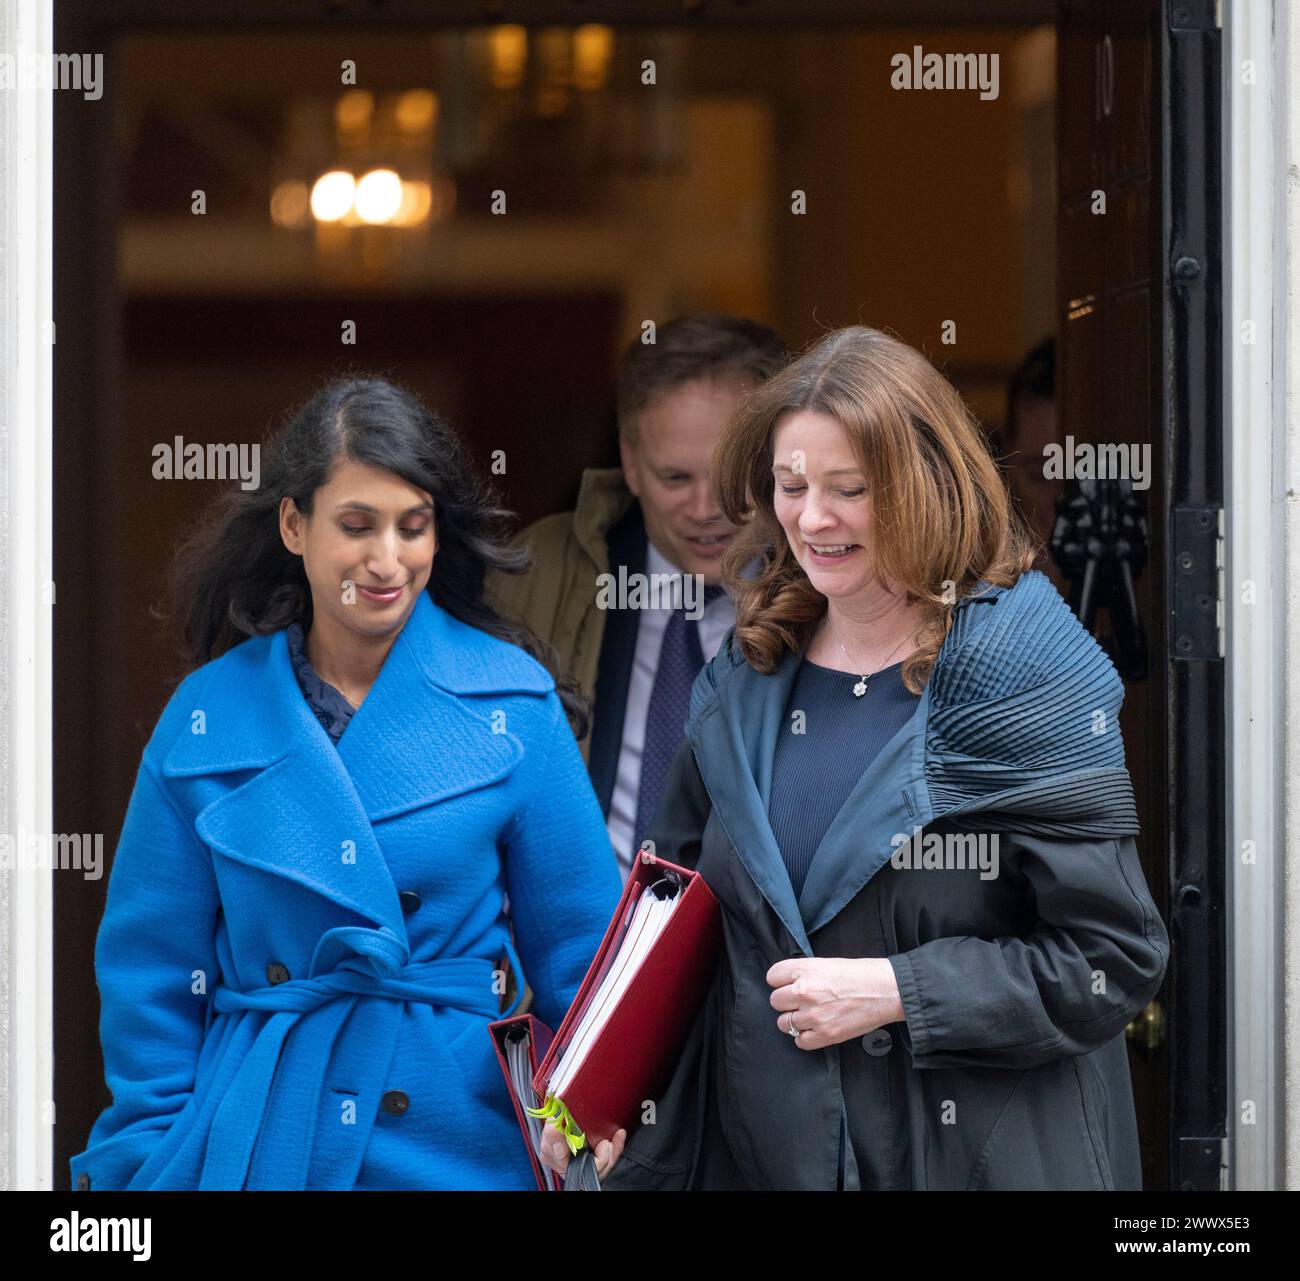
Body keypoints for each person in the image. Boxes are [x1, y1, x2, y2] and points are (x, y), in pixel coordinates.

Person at [540, 325, 1170, 1190]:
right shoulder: (746, 671)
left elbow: (1112, 956)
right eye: (791, 485)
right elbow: (676, 936)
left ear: (924, 487)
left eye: (850, 489)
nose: (811, 517)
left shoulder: (1019, 664)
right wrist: (601, 1104)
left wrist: (902, 990)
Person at [70, 377, 622, 1191]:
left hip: (465, 1135)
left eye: (413, 526)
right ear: (295, 525)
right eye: (356, 525)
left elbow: (589, 967)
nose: (387, 559)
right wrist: (150, 1155)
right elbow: (151, 973)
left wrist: (578, 1120)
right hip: (261, 1130)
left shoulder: (514, 703)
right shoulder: (207, 718)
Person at [489, 314, 787, 881]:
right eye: (675, 479)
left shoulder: (835, 593)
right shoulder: (530, 576)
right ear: (629, 462)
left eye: (729, 475)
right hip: (576, 953)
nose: (705, 508)